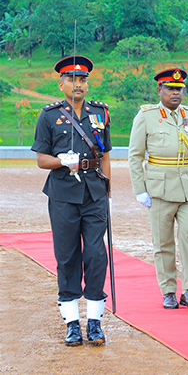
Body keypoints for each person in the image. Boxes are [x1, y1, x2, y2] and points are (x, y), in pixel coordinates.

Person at [32, 55, 111, 346]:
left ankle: (94, 321)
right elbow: (41, 159)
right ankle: (71, 322)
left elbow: (104, 156)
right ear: (61, 83)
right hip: (63, 193)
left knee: (95, 254)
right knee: (67, 256)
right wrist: (61, 160)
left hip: (94, 192)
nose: (79, 84)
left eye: (83, 79)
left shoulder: (100, 113)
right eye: (73, 79)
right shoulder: (49, 116)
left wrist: (108, 190)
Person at [128, 68, 188, 310]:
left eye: (179, 89)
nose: (175, 93)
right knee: (163, 242)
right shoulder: (146, 116)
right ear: (159, 90)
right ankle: (168, 289)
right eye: (170, 89)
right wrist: (140, 188)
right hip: (159, 189)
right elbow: (135, 155)